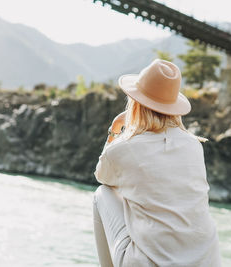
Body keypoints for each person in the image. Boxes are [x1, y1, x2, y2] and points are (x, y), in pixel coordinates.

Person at [93, 59, 222, 267]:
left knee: (102, 194)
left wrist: (115, 130)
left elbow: (102, 176)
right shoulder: (194, 145)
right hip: (206, 261)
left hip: (149, 263)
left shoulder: (123, 148)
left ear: (135, 103)